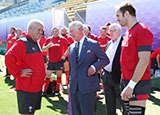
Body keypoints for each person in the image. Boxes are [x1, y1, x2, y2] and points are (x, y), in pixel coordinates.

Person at [116, 2, 153, 115]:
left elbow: (144, 60)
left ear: (126, 14)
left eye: (118, 15)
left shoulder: (142, 31)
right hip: (127, 81)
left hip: (138, 82)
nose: (117, 19)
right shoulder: (128, 32)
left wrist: (131, 85)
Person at [5, 19, 46, 115]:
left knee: (32, 112)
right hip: (27, 88)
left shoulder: (34, 42)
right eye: (39, 30)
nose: (41, 33)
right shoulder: (22, 42)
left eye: (42, 30)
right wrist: (18, 72)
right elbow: (8, 57)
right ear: (30, 29)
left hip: (36, 87)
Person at [68, 21, 110, 115]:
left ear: (80, 30)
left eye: (72, 31)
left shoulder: (93, 44)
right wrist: (69, 82)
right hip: (74, 88)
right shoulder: (71, 47)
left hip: (88, 87)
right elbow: (71, 67)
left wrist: (94, 67)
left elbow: (105, 60)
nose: (70, 34)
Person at [102, 23, 126, 115]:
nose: (110, 33)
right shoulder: (109, 44)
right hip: (107, 77)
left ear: (119, 31)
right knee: (109, 103)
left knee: (124, 104)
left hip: (118, 78)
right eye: (109, 31)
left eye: (112, 31)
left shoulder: (124, 43)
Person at [43, 27, 69, 96]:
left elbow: (69, 47)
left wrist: (64, 55)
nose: (55, 33)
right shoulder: (48, 39)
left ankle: (57, 90)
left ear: (58, 32)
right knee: (47, 76)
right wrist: (47, 46)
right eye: (53, 31)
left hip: (59, 61)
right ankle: (44, 91)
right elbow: (43, 49)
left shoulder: (62, 39)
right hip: (51, 61)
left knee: (59, 76)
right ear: (52, 32)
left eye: (56, 31)